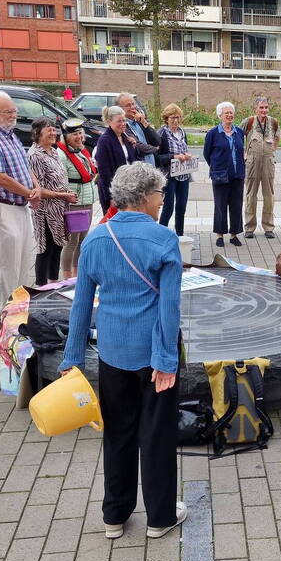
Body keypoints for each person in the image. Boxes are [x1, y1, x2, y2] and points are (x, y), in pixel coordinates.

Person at [59, 162, 186, 540]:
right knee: (158, 435)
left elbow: (81, 305)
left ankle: (115, 514)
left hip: (112, 351)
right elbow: (169, 307)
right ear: (147, 197)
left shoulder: (97, 239)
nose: (162, 201)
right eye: (161, 194)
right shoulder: (163, 239)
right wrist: (165, 359)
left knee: (118, 433)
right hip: (153, 353)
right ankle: (160, 517)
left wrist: (72, 360)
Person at [0, 91, 41, 323]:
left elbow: (24, 165)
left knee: (22, 260)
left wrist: (36, 186)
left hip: (20, 206)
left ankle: (19, 306)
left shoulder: (10, 135)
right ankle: (3, 313)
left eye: (14, 110)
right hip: (3, 206)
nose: (14, 114)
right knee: (7, 263)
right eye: (8, 111)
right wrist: (29, 193)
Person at [27, 118, 77, 285]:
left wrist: (65, 193)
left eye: (54, 130)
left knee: (57, 247)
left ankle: (53, 284)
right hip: (45, 211)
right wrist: (62, 195)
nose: (53, 133)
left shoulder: (53, 151)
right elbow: (37, 189)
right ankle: (41, 288)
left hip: (59, 208)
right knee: (45, 249)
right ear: (37, 133)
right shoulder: (35, 155)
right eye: (49, 130)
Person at [56, 118, 98, 279]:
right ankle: (67, 278)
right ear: (66, 137)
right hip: (74, 203)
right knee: (72, 243)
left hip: (87, 200)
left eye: (80, 133)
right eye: (74, 134)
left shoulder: (80, 151)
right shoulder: (61, 155)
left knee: (82, 241)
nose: (79, 137)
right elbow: (60, 180)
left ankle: (77, 275)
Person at [203, 101, 246, 247]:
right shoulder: (213, 133)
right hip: (220, 175)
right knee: (220, 205)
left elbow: (241, 151)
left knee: (236, 205)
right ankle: (219, 235)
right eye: (226, 113)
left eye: (231, 112)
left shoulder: (239, 132)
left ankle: (234, 234)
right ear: (220, 115)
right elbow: (207, 154)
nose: (229, 115)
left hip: (237, 174)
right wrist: (217, 166)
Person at [241, 97, 279, 239]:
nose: (264, 110)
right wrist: (244, 153)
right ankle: (249, 227)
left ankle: (268, 227)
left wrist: (273, 152)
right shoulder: (248, 122)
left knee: (269, 196)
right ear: (255, 109)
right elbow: (238, 137)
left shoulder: (273, 122)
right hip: (252, 163)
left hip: (268, 162)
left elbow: (277, 138)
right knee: (251, 195)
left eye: (266, 107)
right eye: (261, 107)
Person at [155, 104, 192, 237]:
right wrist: (174, 157)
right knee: (168, 207)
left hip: (183, 174)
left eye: (177, 117)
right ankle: (160, 236)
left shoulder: (182, 132)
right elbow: (157, 157)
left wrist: (187, 155)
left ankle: (180, 236)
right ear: (166, 118)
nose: (175, 120)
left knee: (181, 207)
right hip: (169, 175)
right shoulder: (161, 133)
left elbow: (184, 149)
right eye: (172, 118)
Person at [94, 105, 138, 211]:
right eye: (119, 121)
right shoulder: (105, 140)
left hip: (128, 188)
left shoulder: (125, 137)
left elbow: (132, 160)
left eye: (124, 120)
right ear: (109, 122)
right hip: (114, 190)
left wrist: (133, 146)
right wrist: (110, 197)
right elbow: (104, 172)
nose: (123, 124)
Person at [117, 92, 160, 167]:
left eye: (133, 104)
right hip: (137, 168)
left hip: (151, 166)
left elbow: (157, 141)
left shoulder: (139, 121)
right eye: (128, 105)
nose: (132, 107)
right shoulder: (122, 126)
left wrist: (144, 122)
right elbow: (137, 146)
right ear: (120, 109)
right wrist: (155, 149)